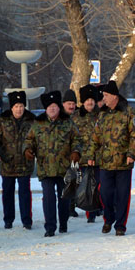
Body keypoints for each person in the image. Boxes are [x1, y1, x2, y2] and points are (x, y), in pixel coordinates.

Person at [87, 80, 135, 236]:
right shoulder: (103, 114)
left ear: (114, 96)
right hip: (105, 163)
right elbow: (95, 136)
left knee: (122, 196)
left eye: (105, 95)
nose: (103, 98)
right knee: (105, 193)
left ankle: (120, 225)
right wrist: (91, 154)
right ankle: (108, 218)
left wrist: (131, 154)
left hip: (123, 163)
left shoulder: (129, 112)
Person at [24, 90, 81, 237]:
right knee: (48, 198)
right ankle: (50, 227)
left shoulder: (67, 122)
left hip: (64, 168)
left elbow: (77, 139)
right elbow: (29, 140)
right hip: (46, 168)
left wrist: (76, 151)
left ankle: (63, 223)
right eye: (50, 107)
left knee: (64, 198)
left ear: (59, 107)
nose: (53, 109)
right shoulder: (38, 123)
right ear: (46, 109)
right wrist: (28, 150)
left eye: (55, 106)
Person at [0, 90, 36, 230]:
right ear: (11, 108)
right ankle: (8, 219)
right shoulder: (4, 120)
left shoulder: (31, 120)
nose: (19, 109)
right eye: (16, 106)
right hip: (7, 163)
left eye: (21, 106)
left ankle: (27, 220)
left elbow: (37, 139)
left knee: (25, 194)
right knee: (8, 193)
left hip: (24, 164)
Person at [72, 84, 102, 222]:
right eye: (87, 100)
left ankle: (97, 209)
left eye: (92, 99)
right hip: (82, 158)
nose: (90, 102)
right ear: (83, 102)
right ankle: (89, 211)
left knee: (98, 185)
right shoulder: (76, 117)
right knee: (86, 185)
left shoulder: (101, 115)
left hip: (99, 157)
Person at [63, 88, 79, 216]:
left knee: (73, 181)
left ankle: (71, 207)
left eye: (73, 104)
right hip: (61, 156)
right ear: (63, 104)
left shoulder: (78, 116)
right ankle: (64, 206)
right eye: (69, 104)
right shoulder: (59, 116)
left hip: (75, 154)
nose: (72, 106)